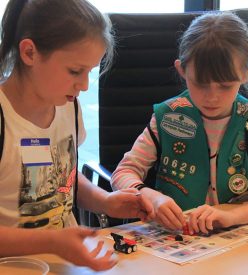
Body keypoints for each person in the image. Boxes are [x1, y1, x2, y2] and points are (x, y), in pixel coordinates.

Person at [0, 0, 154, 272]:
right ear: (29, 53)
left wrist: (103, 201)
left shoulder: (67, 106)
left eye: (89, 72)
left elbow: (62, 175)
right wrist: (51, 242)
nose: (83, 85)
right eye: (74, 71)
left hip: (63, 263)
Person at [111, 11, 248, 235]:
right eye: (200, 83)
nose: (212, 97)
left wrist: (230, 216)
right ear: (182, 70)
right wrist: (150, 196)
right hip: (177, 234)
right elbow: (124, 172)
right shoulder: (168, 118)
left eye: (225, 85)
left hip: (236, 239)